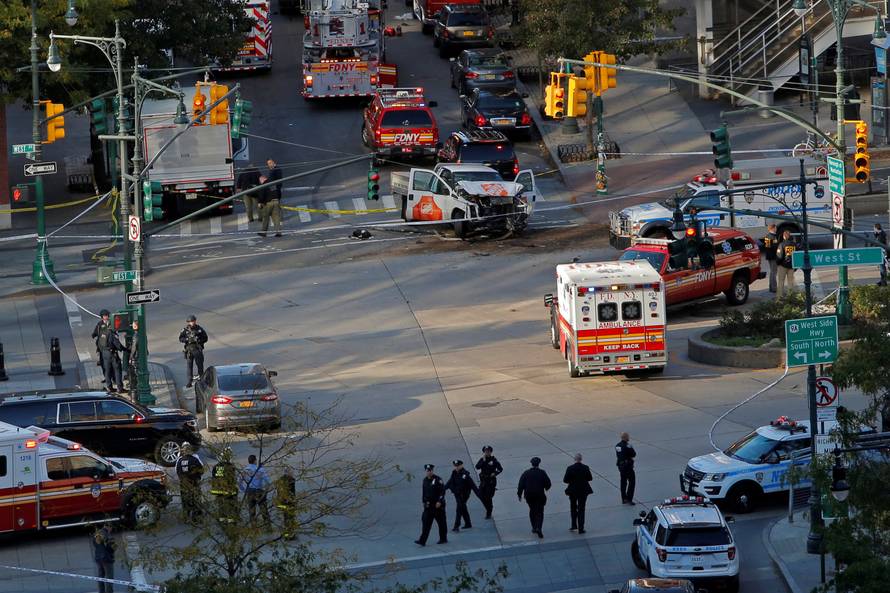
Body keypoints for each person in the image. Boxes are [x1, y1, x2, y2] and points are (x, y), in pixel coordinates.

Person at [517, 456, 551, 538]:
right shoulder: (542, 472)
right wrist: (546, 488)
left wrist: (519, 494)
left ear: (531, 464)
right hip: (539, 495)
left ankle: (534, 527)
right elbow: (548, 483)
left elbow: (520, 485)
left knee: (532, 510)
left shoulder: (526, 473)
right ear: (538, 464)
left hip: (529, 495)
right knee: (540, 512)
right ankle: (539, 527)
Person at [415, 463, 447, 546]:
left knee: (441, 523)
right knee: (426, 523)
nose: (429, 472)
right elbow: (424, 492)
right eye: (427, 471)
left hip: (437, 506)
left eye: (430, 470)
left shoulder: (438, 480)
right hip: (428, 506)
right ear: (425, 471)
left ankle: (443, 538)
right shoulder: (425, 480)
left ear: (433, 471)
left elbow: (442, 491)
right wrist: (423, 502)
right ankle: (422, 540)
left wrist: (439, 501)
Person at [444, 459, 480, 532]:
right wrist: (442, 489)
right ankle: (468, 523)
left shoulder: (465, 474)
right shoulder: (454, 473)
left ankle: (456, 526)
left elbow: (472, 485)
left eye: (458, 466)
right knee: (463, 508)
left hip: (464, 495)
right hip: (457, 494)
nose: (457, 467)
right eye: (455, 466)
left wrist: (479, 494)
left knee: (459, 509)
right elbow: (450, 482)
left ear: (461, 465)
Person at [563, 453, 593, 534]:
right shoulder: (585, 467)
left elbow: (565, 480)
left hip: (573, 491)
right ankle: (581, 528)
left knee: (573, 507)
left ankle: (573, 525)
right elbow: (590, 478)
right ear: (581, 459)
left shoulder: (570, 468)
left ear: (574, 459)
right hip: (583, 490)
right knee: (581, 509)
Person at [175, 442, 205, 522]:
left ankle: (186, 517)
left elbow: (177, 472)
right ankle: (196, 518)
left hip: (184, 484)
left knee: (185, 501)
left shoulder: (179, 460)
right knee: (196, 500)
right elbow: (201, 470)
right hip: (194, 483)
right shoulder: (194, 459)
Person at [240, 454, 271, 524]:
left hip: (250, 491)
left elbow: (239, 482)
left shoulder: (245, 470)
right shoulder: (260, 469)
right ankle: (268, 527)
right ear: (255, 461)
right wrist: (266, 491)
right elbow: (268, 482)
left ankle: (254, 528)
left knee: (252, 511)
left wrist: (244, 490)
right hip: (259, 491)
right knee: (264, 510)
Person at [179, 314, 208, 388]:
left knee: (200, 365)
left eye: (193, 321)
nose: (192, 323)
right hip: (189, 350)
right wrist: (187, 339)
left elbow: (205, 338)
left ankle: (201, 379)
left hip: (197, 349)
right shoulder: (185, 330)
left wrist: (198, 340)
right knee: (189, 366)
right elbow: (180, 338)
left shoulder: (199, 329)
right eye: (191, 321)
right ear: (188, 322)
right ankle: (189, 381)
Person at [210, 447, 238, 524]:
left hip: (218, 489)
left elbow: (213, 477)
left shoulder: (216, 466)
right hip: (227, 489)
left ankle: (222, 520)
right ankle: (231, 521)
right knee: (230, 505)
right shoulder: (230, 466)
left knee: (221, 505)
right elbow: (232, 478)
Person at [475, 445, 503, 519]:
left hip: (490, 482)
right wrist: (483, 461)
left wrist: (495, 473)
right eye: (485, 451)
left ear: (491, 452)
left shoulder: (494, 460)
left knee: (488, 497)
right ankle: (488, 508)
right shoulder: (482, 459)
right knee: (480, 495)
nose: (487, 452)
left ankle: (489, 512)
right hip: (483, 481)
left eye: (488, 451)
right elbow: (477, 467)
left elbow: (500, 469)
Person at [257, 166, 283, 238]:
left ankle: (264, 232)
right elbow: (279, 192)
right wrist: (278, 199)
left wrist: (260, 202)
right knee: (276, 218)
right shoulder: (273, 183)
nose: (260, 182)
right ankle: (278, 232)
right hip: (276, 201)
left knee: (266, 218)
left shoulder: (264, 185)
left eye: (260, 181)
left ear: (263, 180)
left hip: (268, 203)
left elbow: (262, 195)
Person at [91, 523, 116, 593]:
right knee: (109, 578)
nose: (111, 530)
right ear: (109, 527)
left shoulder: (96, 534)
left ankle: (101, 591)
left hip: (98, 558)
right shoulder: (108, 535)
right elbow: (112, 548)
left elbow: (95, 544)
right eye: (111, 528)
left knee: (100, 577)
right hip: (107, 559)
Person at [274, 467, 297, 539]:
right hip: (289, 502)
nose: (292, 473)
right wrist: (294, 501)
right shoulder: (292, 480)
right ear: (289, 473)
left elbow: (278, 492)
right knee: (291, 518)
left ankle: (286, 535)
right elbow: (292, 492)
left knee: (285, 518)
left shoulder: (279, 480)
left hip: (281, 503)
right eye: (291, 472)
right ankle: (291, 535)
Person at [616, 432, 636, 505]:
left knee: (623, 482)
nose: (629, 438)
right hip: (628, 466)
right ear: (625, 437)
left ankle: (623, 498)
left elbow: (620, 455)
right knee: (632, 481)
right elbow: (633, 454)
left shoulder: (617, 446)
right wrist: (631, 447)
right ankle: (629, 498)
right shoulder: (628, 446)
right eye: (628, 437)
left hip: (621, 466)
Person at [776, 229, 797, 298]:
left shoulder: (781, 244)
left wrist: (778, 263)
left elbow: (779, 256)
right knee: (790, 282)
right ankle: (790, 297)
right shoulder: (794, 245)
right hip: (791, 265)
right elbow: (797, 255)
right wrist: (795, 266)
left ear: (784, 237)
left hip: (783, 265)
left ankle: (779, 297)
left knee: (781, 281)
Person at [91, 309, 111, 380]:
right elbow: (95, 332)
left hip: (109, 348)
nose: (106, 317)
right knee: (103, 364)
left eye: (107, 315)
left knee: (110, 364)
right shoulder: (99, 324)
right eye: (105, 316)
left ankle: (113, 378)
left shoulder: (110, 323)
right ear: (102, 317)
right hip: (101, 348)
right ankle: (106, 377)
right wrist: (93, 335)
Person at [760, 224, 779, 293]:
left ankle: (771, 287)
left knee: (772, 272)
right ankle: (774, 288)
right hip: (773, 256)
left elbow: (766, 247)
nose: (776, 229)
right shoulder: (772, 237)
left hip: (769, 256)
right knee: (774, 272)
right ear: (773, 228)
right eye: (776, 227)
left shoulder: (767, 236)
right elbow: (773, 247)